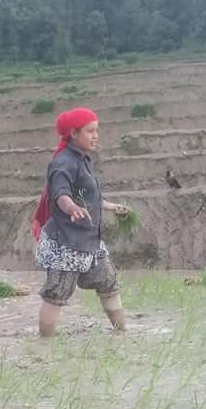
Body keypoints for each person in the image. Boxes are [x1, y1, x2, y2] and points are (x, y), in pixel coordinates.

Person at [31, 107, 130, 337]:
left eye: (97, 131)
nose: (96, 136)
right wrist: (71, 208)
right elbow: (61, 194)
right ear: (73, 134)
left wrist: (110, 206)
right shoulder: (63, 162)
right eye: (90, 131)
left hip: (90, 240)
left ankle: (123, 333)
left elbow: (87, 196)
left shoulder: (83, 159)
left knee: (109, 282)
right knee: (57, 294)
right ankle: (44, 346)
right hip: (66, 243)